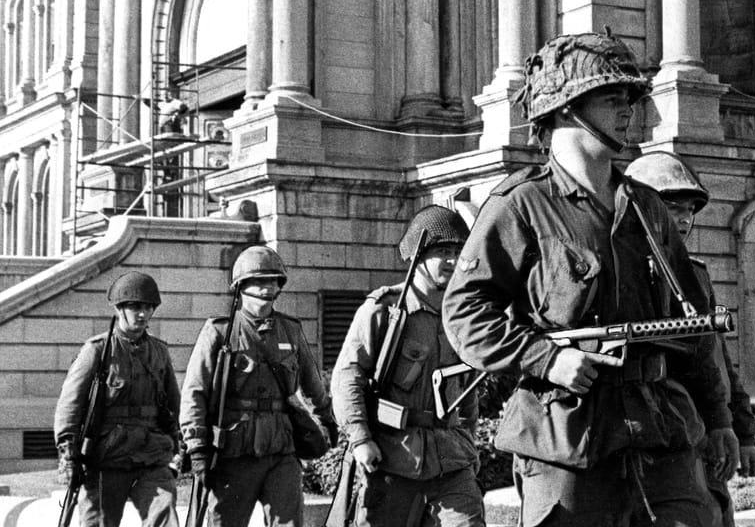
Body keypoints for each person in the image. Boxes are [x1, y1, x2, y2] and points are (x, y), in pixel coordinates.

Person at [442, 30, 738, 527]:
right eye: (611, 97)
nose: (628, 109)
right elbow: (466, 311)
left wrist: (721, 419)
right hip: (568, 438)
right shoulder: (520, 207)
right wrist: (547, 359)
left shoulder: (646, 207)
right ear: (565, 109)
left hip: (662, 433)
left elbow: (693, 325)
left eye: (630, 97)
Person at [625, 150, 755, 527]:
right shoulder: (623, 277)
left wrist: (743, 431)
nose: (684, 219)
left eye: (689, 209)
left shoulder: (696, 276)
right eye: (672, 207)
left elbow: (718, 362)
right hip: (655, 439)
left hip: (704, 433)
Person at [331, 205, 484, 527]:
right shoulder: (384, 312)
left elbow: (467, 385)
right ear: (418, 255)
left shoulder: (461, 316)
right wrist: (360, 438)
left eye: (459, 251)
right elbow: (348, 376)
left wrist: (468, 439)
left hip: (452, 461)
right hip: (392, 458)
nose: (454, 260)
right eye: (443, 251)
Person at [180, 245, 337, 527]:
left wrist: (328, 421)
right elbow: (195, 392)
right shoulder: (219, 331)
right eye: (259, 281)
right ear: (241, 287)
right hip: (234, 451)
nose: (267, 288)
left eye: (273, 281)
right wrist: (197, 447)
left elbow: (312, 385)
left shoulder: (290, 329)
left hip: (281, 447)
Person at [54, 271, 181, 527]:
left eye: (148, 307)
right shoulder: (97, 351)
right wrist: (68, 455)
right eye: (135, 307)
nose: (142, 314)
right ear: (119, 309)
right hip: (106, 457)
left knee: (165, 518)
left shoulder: (158, 351)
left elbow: (173, 404)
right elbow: (70, 406)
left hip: (151, 454)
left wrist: (180, 442)